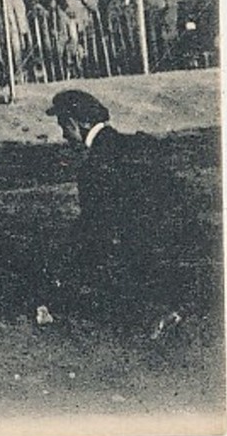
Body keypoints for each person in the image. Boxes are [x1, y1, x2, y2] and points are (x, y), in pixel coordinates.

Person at [44, 88, 187, 336]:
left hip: (142, 242)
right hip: (174, 229)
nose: (64, 134)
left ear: (75, 124)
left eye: (63, 126)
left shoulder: (93, 165)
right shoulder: (132, 143)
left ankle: (154, 311)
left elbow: (94, 222)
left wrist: (63, 263)